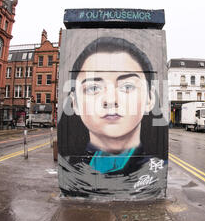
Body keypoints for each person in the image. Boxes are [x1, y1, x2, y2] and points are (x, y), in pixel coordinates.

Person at [58, 37, 168, 200]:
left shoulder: (157, 171)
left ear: (149, 99)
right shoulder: (68, 169)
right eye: (93, 88)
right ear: (75, 103)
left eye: (127, 86)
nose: (110, 100)